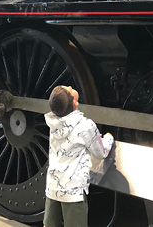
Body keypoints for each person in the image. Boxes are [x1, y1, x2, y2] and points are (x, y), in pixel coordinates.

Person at [44, 85, 113, 227]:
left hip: (53, 186)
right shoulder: (85, 125)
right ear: (75, 102)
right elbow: (100, 152)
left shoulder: (53, 121)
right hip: (72, 191)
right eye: (69, 90)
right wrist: (108, 138)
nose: (70, 86)